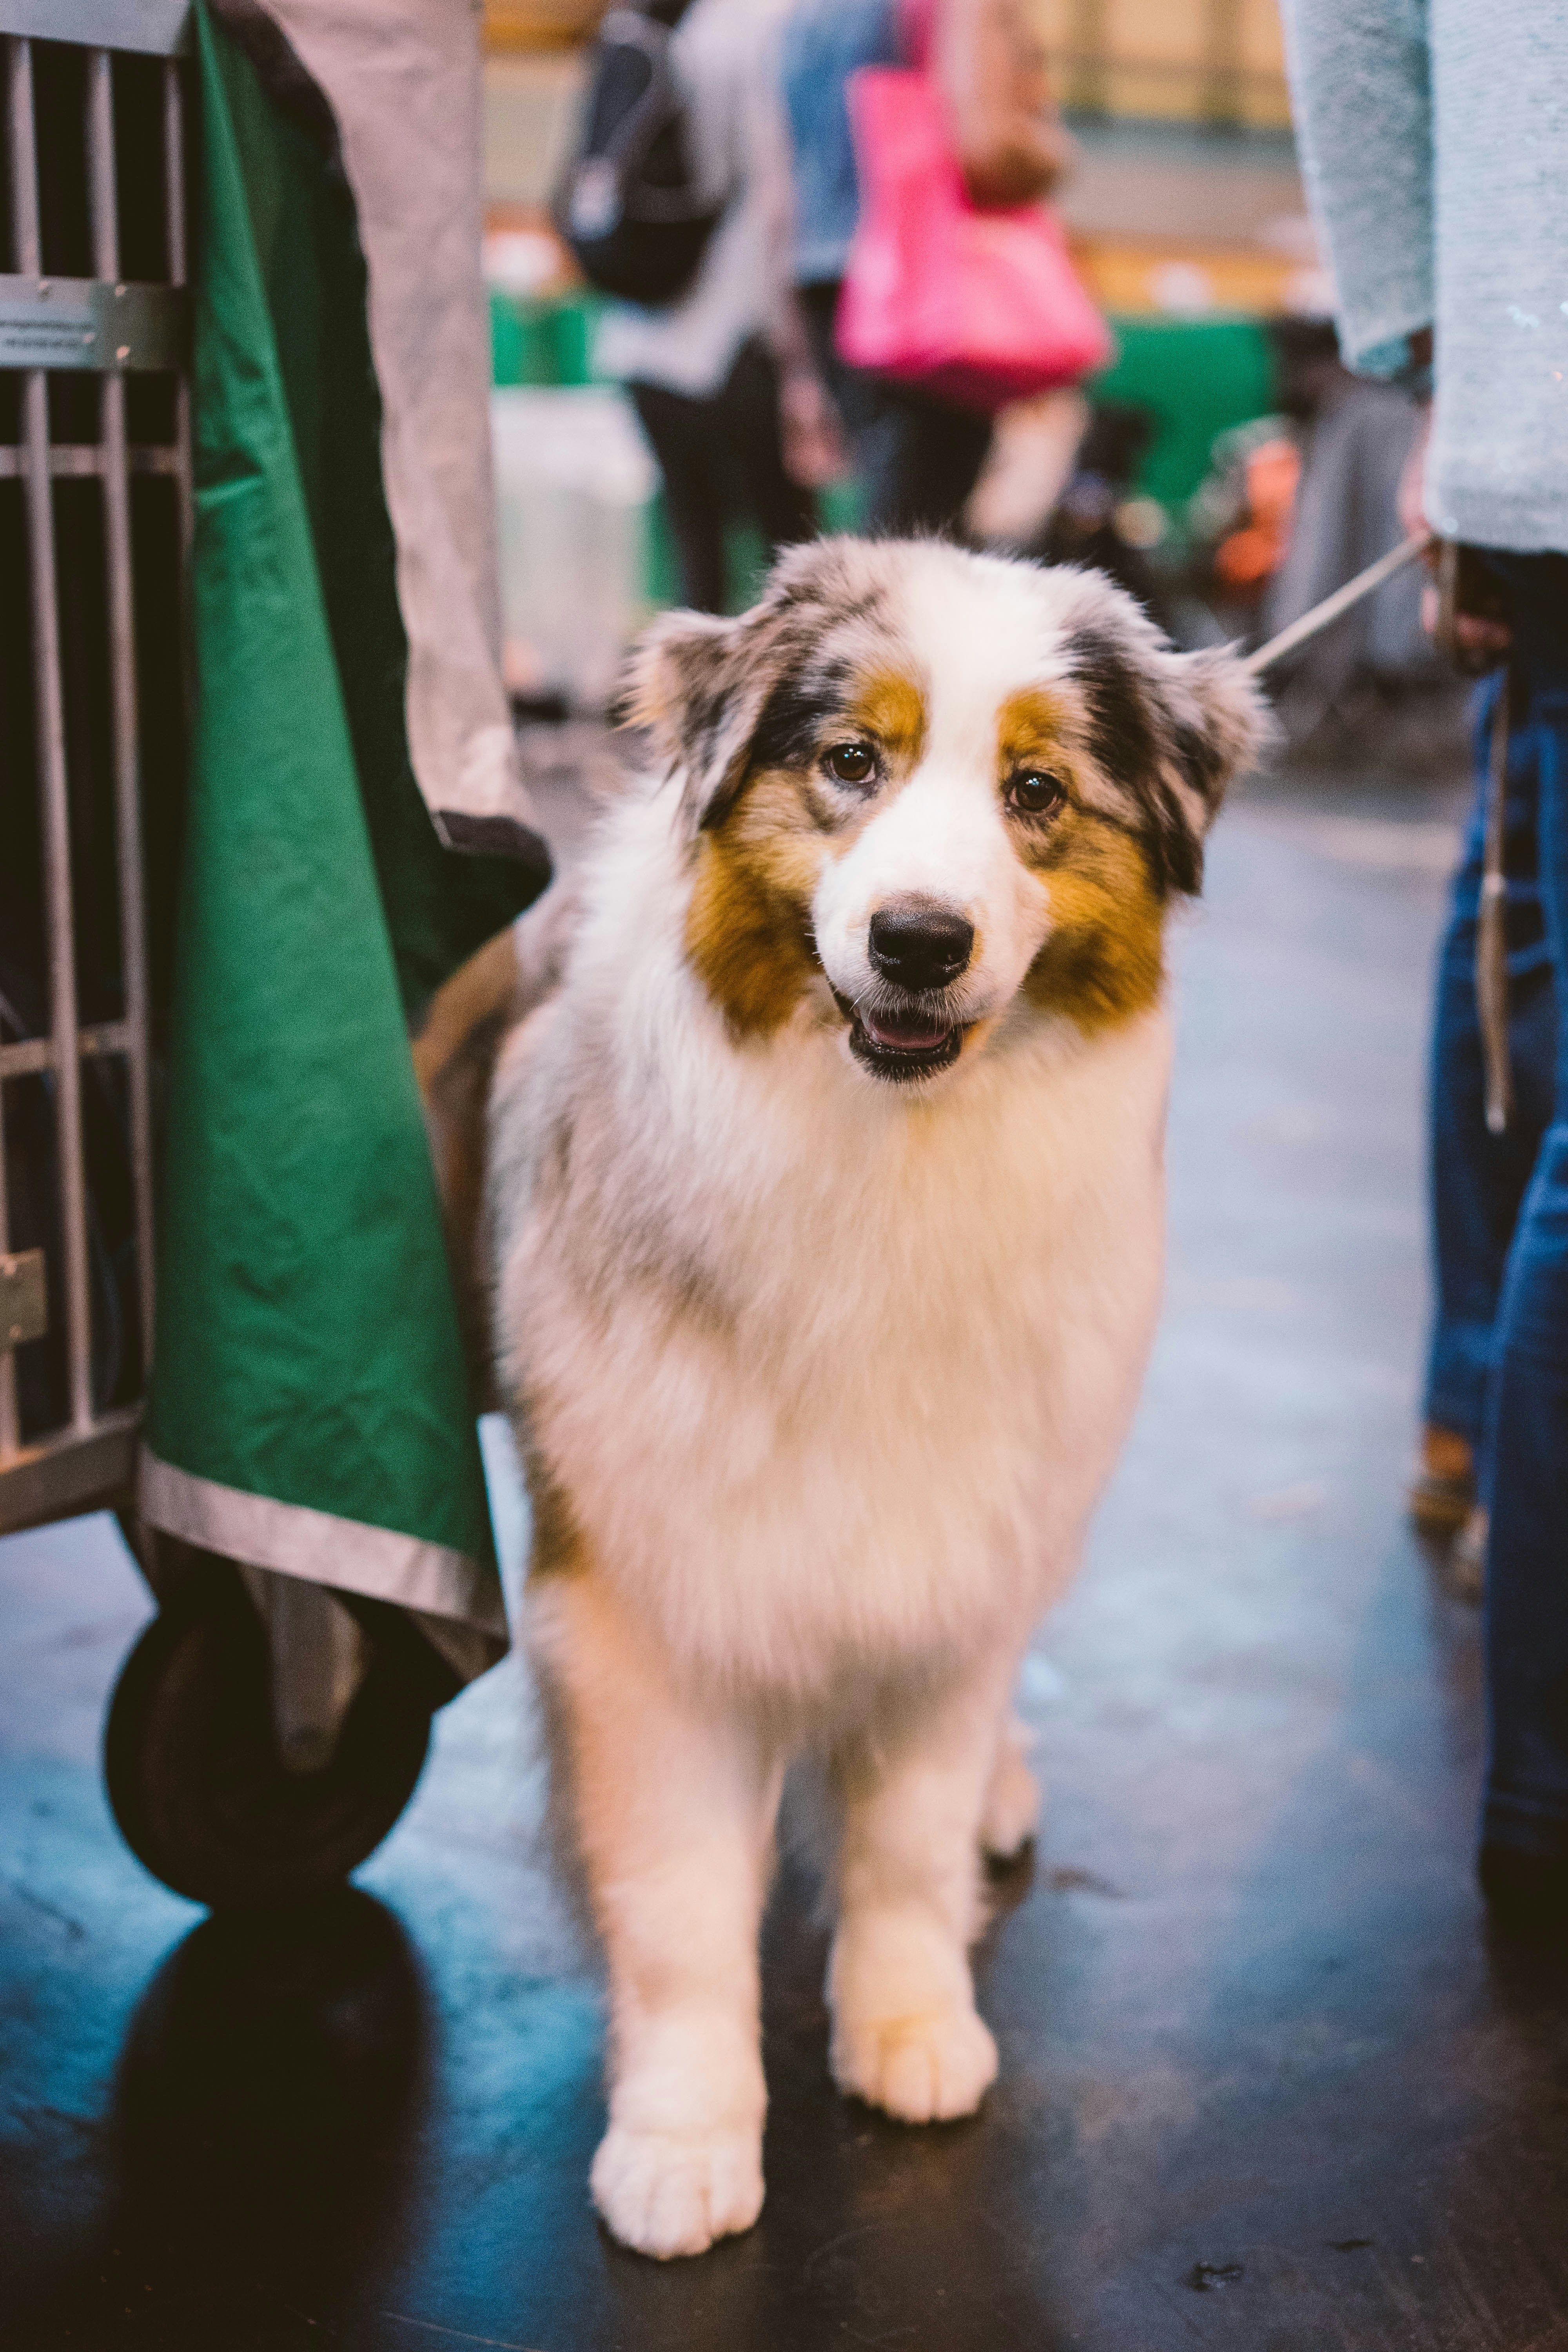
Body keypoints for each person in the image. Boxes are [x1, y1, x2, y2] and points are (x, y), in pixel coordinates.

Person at [1280, 2, 1568, 1920]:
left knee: (1518, 925)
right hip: (1523, 405)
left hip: (1531, 406)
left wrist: (1442, 353)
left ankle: (1466, 1413)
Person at [779, 0, 1070, 537]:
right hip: (925, 284)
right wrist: (1053, 152)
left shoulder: (806, 14)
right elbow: (991, 147)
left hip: (826, 273)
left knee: (896, 511)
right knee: (923, 528)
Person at [594, 0, 816, 615]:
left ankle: (692, 709)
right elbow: (777, 195)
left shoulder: (662, 22)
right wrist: (804, 359)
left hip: (645, 333)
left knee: (696, 559)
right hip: (737, 332)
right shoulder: (770, 27)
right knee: (794, 567)